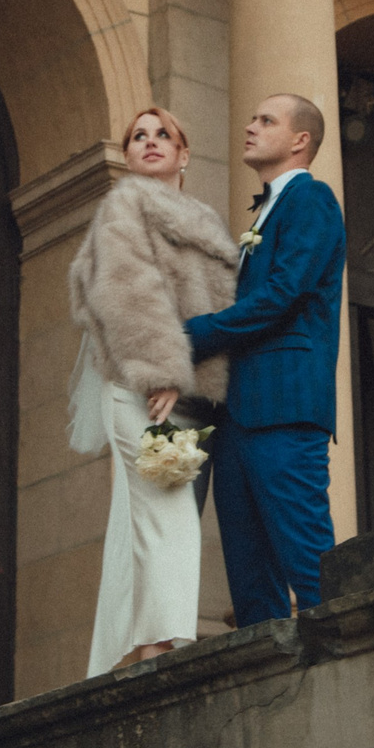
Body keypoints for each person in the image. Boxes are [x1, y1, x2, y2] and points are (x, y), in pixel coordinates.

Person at [66, 107, 238, 674]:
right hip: (146, 389)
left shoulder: (207, 221)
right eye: (139, 136)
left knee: (138, 522)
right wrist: (159, 370)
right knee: (169, 513)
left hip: (194, 396)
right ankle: (162, 645)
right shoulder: (124, 206)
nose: (151, 142)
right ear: (129, 157)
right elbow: (125, 290)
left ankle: (133, 648)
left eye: (163, 134)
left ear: (185, 155)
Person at [184, 94, 347, 627]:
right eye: (252, 118)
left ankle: (346, 654)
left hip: (284, 406)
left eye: (266, 120)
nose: (250, 127)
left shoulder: (312, 200)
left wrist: (196, 335)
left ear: (300, 140)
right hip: (237, 414)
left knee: (309, 562)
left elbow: (284, 295)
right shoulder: (266, 209)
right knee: (250, 576)